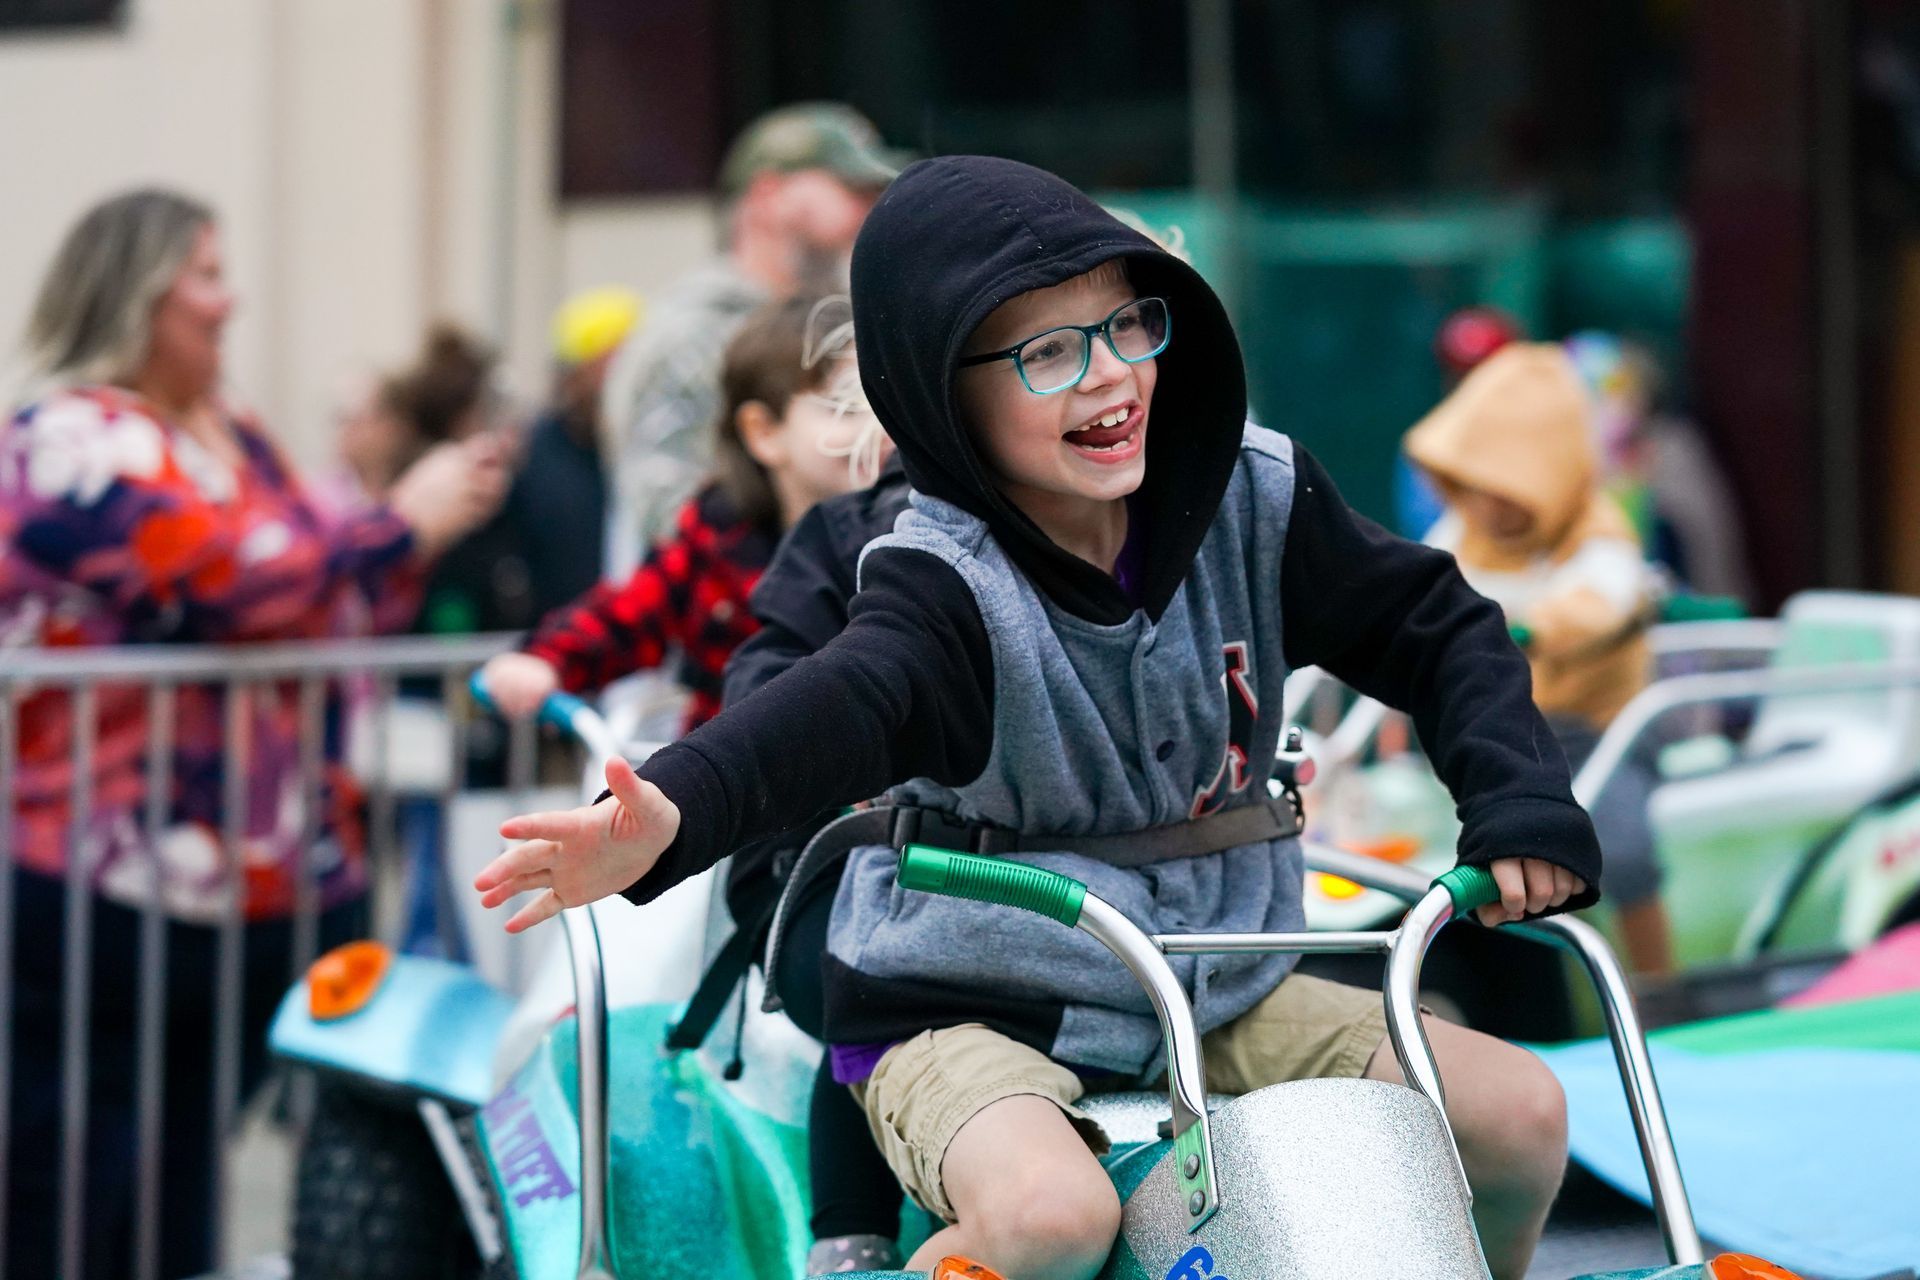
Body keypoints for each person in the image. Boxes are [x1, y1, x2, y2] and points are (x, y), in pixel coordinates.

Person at [475, 157, 1599, 1280]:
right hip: (969, 1001)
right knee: (1050, 1220)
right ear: (943, 400)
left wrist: (1520, 800)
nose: (1109, 377)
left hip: (1211, 980)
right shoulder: (943, 580)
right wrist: (673, 812)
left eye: (1127, 325)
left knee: (1517, 1110)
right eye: (1048, 352)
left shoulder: (1256, 493)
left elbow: (1434, 622)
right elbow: (840, 700)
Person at [1, 188, 504, 1279]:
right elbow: (228, 582)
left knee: (183, 1179)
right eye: (206, 275)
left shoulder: (228, 431)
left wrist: (414, 534)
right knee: (71, 1182)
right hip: (100, 881)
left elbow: (329, 599)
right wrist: (396, 524)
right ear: (133, 290)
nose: (229, 304)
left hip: (252, 889)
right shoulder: (65, 434)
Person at [1405, 342, 1672, 973]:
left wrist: (1526, 627)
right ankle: (1505, 979)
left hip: (1589, 728)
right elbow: (1418, 591)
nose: (1489, 506)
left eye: (1510, 490)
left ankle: (1655, 982)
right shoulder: (1463, 533)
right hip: (1486, 721)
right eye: (1475, 485)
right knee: (1439, 835)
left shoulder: (1594, 530)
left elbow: (1604, 599)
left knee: (1621, 845)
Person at [599, 102, 909, 577]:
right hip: (735, 609)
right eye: (852, 190)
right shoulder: (691, 335)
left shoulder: (847, 323)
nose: (868, 211)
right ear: (768, 194)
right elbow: (665, 519)